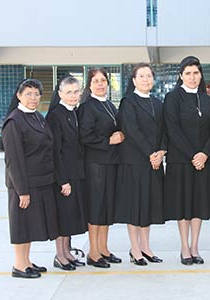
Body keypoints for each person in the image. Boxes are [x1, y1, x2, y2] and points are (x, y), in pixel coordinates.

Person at [163, 56, 210, 265]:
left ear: (200, 75)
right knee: (183, 205)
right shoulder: (173, 97)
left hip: (203, 162)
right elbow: (172, 129)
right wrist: (192, 155)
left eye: (196, 73)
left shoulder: (206, 99)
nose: (192, 77)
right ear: (181, 76)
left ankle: (195, 246)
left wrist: (204, 153)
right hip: (181, 161)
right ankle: (184, 247)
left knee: (199, 205)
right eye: (188, 73)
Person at [2, 79, 59, 278]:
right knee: (21, 224)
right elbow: (13, 161)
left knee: (29, 225)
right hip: (23, 185)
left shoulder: (37, 117)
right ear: (19, 95)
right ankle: (19, 265)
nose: (33, 98)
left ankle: (26, 261)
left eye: (36, 94)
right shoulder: (14, 122)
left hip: (39, 182)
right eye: (28, 94)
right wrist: (22, 191)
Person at [116, 63, 166, 266]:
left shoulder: (157, 102)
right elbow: (132, 130)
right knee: (135, 206)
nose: (146, 79)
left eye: (148, 76)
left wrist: (161, 151)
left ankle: (146, 247)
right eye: (141, 76)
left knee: (148, 206)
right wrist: (150, 153)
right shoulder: (128, 102)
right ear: (134, 80)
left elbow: (165, 130)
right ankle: (134, 249)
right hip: (135, 162)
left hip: (154, 163)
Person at [78, 68, 124, 268]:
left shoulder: (110, 105)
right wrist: (108, 140)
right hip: (95, 164)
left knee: (106, 207)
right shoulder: (87, 107)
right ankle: (93, 252)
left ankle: (104, 248)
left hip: (111, 164)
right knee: (96, 207)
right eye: (95, 81)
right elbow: (85, 136)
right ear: (89, 85)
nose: (100, 84)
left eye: (103, 80)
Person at [46, 76, 87, 271]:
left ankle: (67, 252)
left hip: (76, 173)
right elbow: (55, 151)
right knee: (62, 217)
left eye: (76, 91)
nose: (73, 95)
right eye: (68, 92)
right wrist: (62, 180)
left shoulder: (75, 112)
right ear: (60, 93)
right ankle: (60, 255)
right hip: (64, 177)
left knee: (70, 216)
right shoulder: (55, 115)